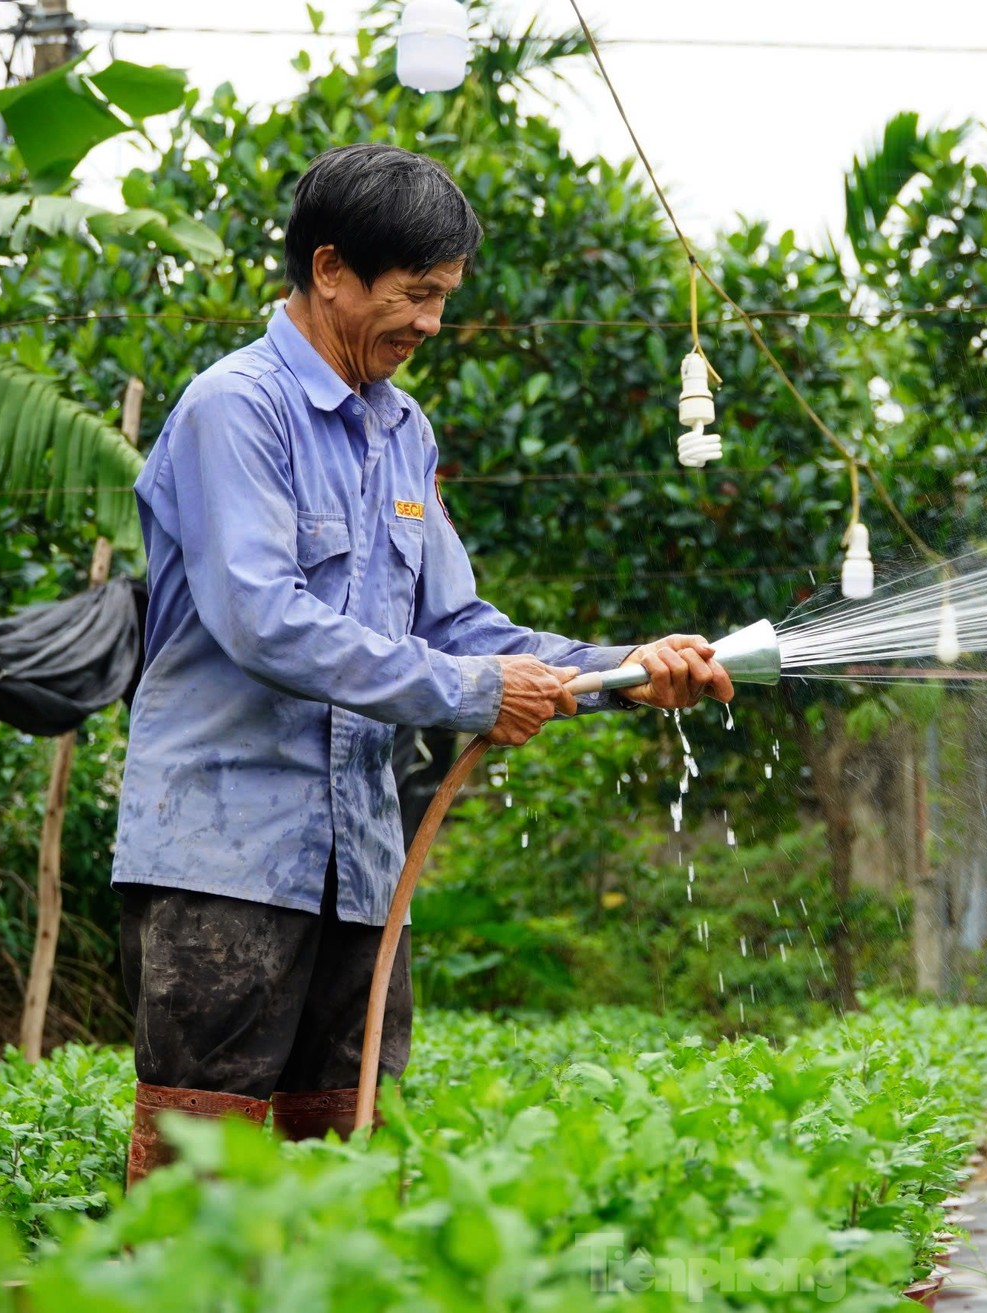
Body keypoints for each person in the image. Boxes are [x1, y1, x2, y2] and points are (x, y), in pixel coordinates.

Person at [112, 142, 732, 1186]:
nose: (431, 324)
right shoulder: (237, 409)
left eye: (443, 296)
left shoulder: (402, 431)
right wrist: (472, 692)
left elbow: (458, 626)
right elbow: (263, 617)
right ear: (329, 270)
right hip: (222, 852)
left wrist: (626, 666)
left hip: (360, 866)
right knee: (201, 1163)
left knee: (347, 1151)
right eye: (416, 294)